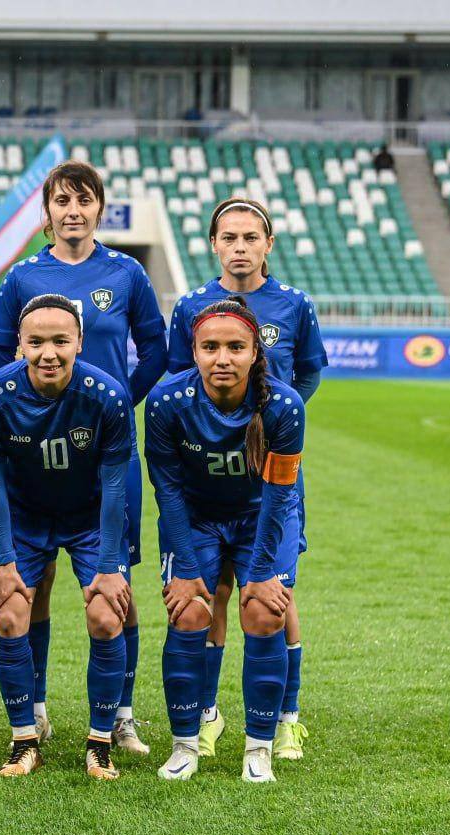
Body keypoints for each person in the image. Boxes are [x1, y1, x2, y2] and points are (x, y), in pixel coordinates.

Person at [0, 161, 167, 754]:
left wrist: (115, 404)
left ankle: (121, 715)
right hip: (34, 453)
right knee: (32, 586)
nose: (73, 211)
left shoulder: (127, 272)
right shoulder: (22, 277)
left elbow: (157, 349)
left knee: (117, 587)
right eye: (62, 201)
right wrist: (29, 410)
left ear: (99, 209)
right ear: (47, 211)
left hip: (107, 454)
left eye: (84, 200)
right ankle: (34, 709)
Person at [166, 197, 327, 761]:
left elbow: (308, 374)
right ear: (214, 244)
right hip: (208, 475)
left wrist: (270, 421)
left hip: (270, 473)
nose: (239, 247)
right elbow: (178, 379)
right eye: (229, 237)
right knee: (213, 590)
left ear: (268, 244)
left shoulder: (294, 304)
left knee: (274, 594)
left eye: (250, 237)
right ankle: (207, 715)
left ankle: (287, 717)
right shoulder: (191, 305)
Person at [147, 296, 305, 783]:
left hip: (262, 518)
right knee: (190, 611)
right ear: (193, 351)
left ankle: (259, 748)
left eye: (236, 347)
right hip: (196, 518)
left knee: (263, 611)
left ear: (255, 352)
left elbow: (279, 496)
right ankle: (185, 743)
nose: (222, 358)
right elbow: (168, 492)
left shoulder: (284, 406)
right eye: (210, 347)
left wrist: (262, 571)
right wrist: (185, 569)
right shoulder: (166, 402)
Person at [0, 294, 133, 780]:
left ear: (79, 342)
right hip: (24, 519)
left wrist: (108, 567)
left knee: (107, 615)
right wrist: (5, 559)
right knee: (9, 614)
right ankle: (25, 739)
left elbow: (115, 488)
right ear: (19, 344)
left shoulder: (107, 396)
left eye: (61, 341)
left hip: (89, 520)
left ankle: (100, 743)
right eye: (37, 342)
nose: (49, 353)